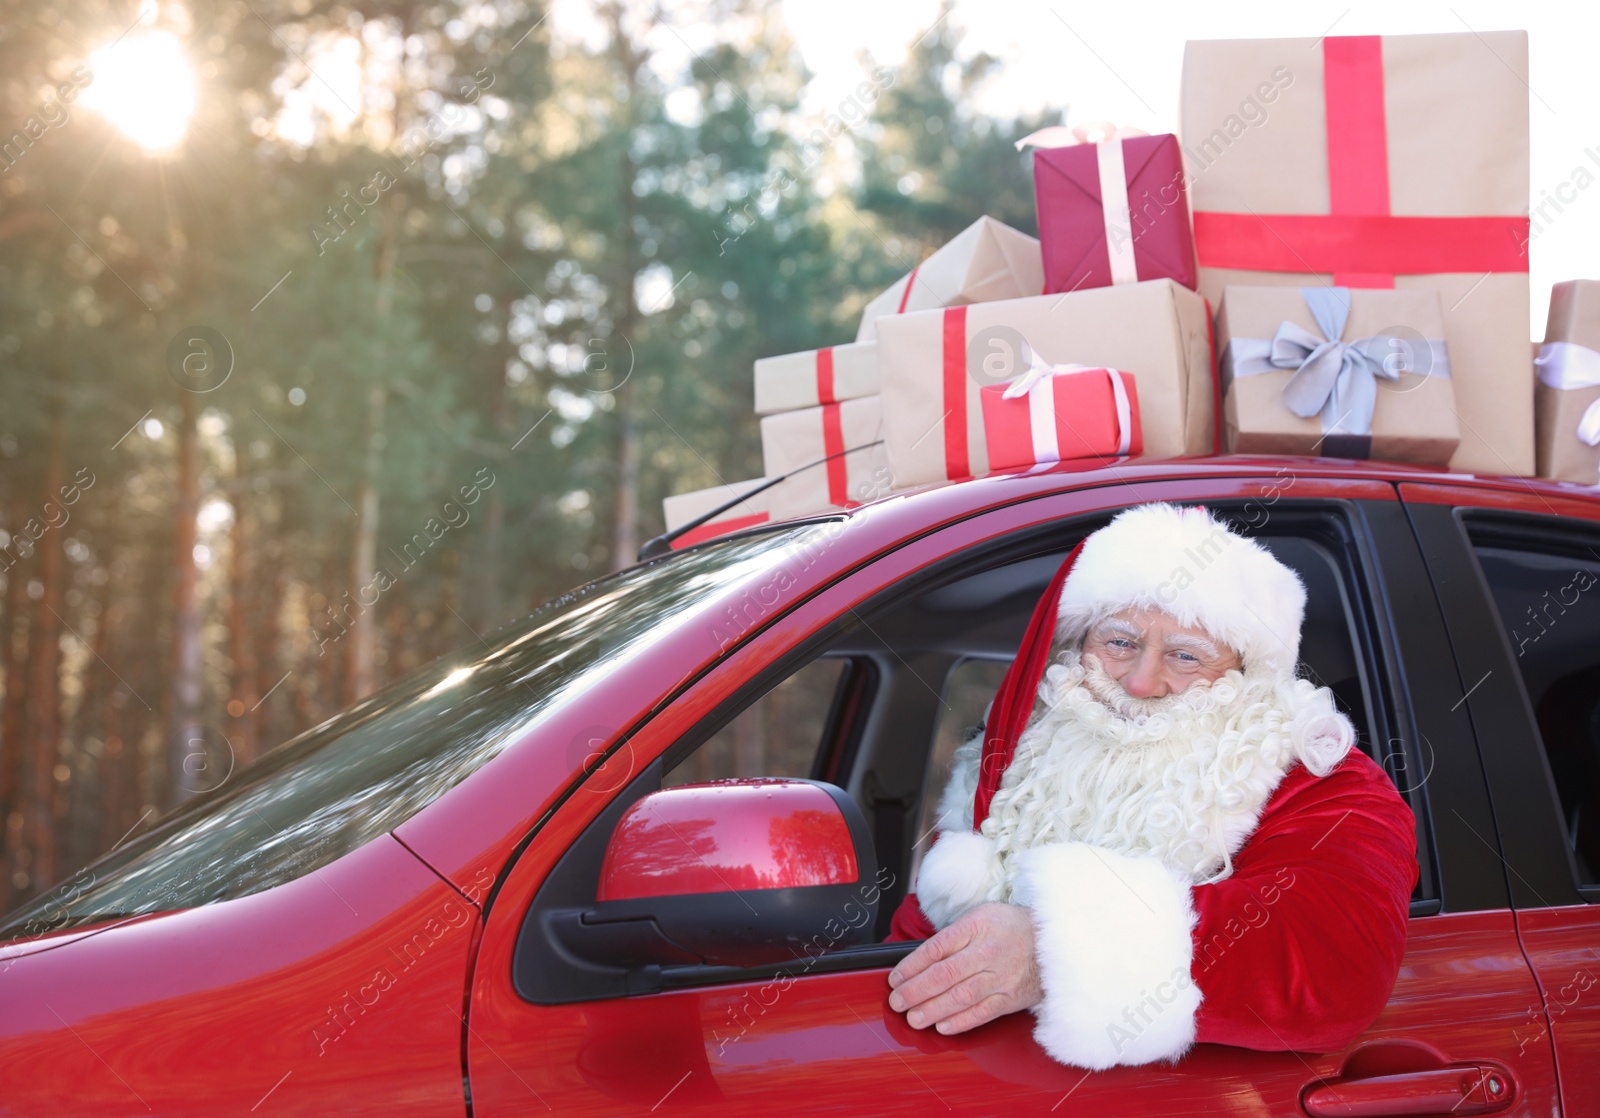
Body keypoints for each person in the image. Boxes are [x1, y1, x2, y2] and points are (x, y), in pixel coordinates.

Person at [884, 503, 1418, 1070]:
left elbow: (1333, 967)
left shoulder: (1322, 782)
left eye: (1186, 656)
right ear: (1079, 643)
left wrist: (1057, 950)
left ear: (1246, 670)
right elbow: (911, 945)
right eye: (1119, 643)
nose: (1141, 682)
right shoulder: (1015, 763)